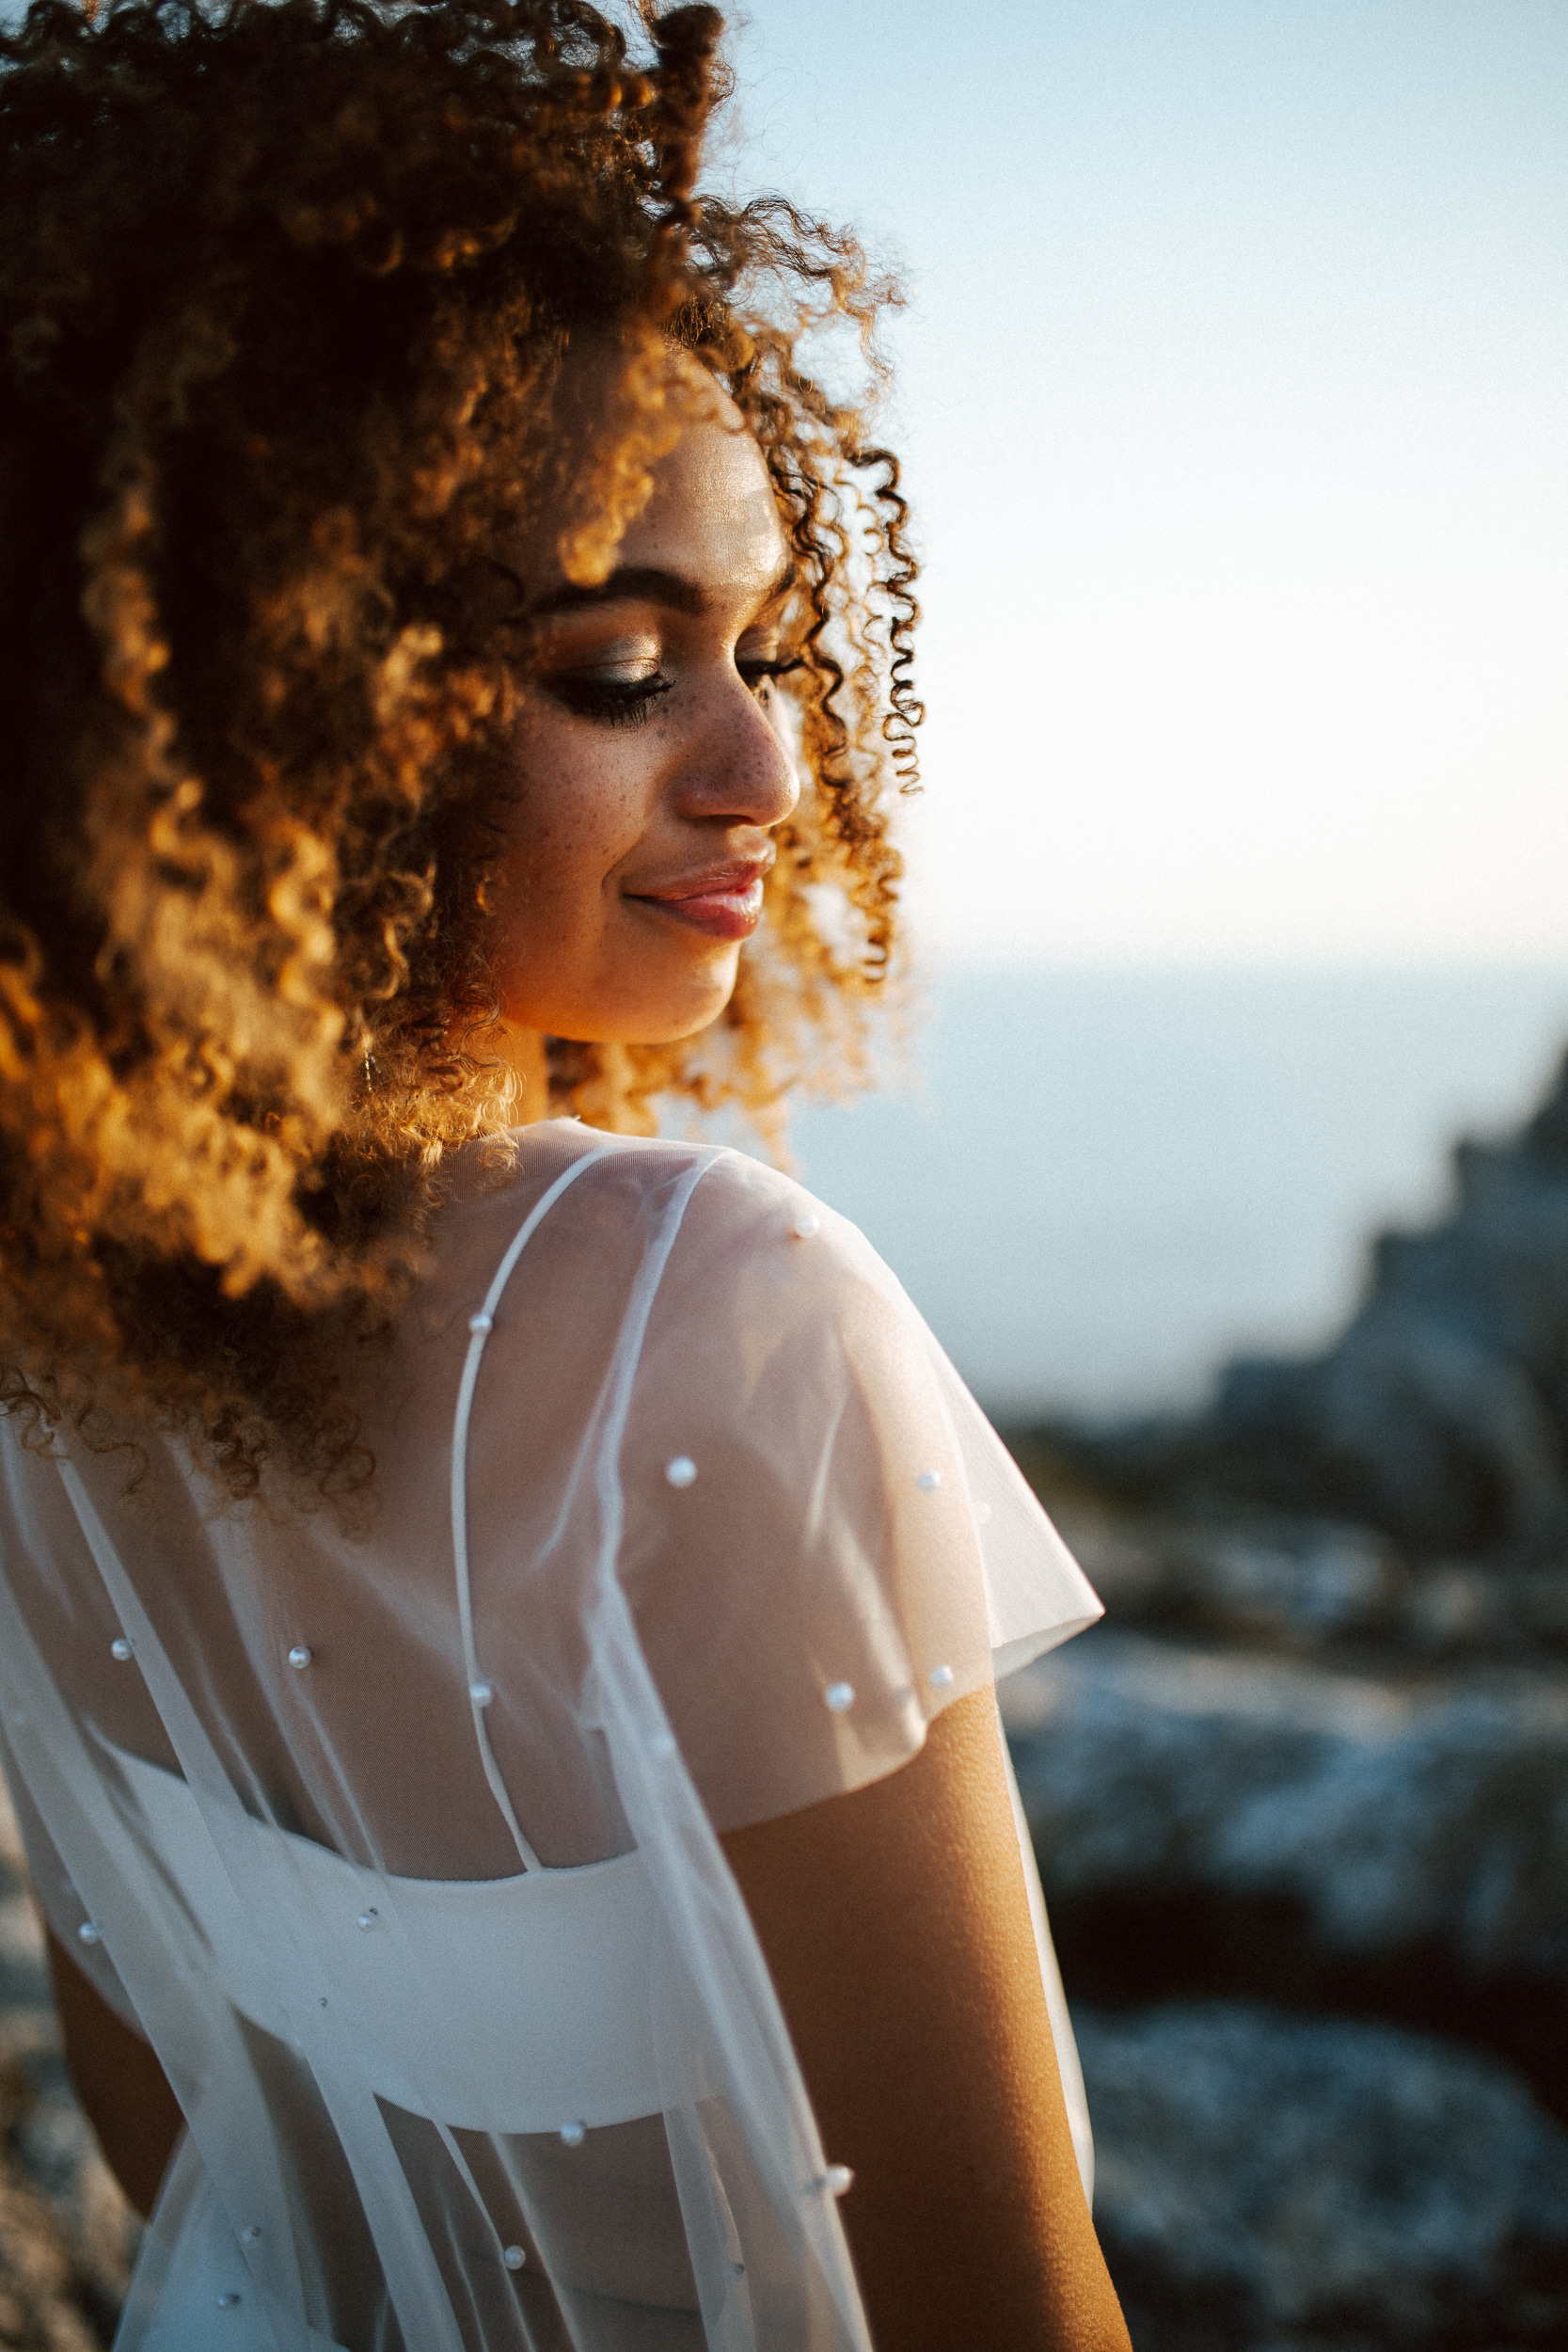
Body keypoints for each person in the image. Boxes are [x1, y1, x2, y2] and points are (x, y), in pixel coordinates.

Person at [0, 0, 1132, 2344]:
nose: (762, 769)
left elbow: (161, 2135)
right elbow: (1003, 2302)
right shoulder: (712, 1307)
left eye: (776, 650)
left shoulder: (38, 1308)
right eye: (622, 668)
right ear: (273, 687)